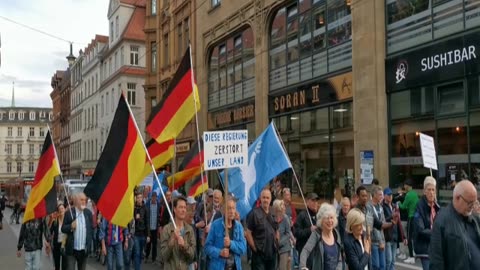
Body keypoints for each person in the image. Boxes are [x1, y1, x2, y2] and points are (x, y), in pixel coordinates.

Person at [429, 180, 480, 269]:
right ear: (457, 198)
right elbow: (436, 260)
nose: (472, 206)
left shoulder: (475, 219)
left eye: (474, 202)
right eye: (469, 203)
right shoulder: (442, 221)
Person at [204, 196, 247, 270]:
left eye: (233, 208)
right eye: (229, 208)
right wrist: (219, 252)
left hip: (235, 267)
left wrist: (231, 244)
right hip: (218, 267)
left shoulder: (239, 226)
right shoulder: (215, 225)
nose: (231, 211)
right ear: (224, 210)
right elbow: (207, 247)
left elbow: (243, 248)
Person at [299, 203, 342, 270]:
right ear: (321, 220)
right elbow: (305, 250)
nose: (330, 221)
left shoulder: (336, 234)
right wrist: (303, 266)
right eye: (327, 218)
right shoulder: (317, 234)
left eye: (331, 218)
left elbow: (339, 260)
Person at [160, 196, 196, 270]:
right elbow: (164, 256)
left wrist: (184, 245)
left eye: (184, 207)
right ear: (175, 209)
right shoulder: (167, 229)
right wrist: (172, 240)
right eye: (180, 207)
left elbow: (192, 256)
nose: (183, 210)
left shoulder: (189, 230)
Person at [245, 188, 278, 270]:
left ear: (270, 199)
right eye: (264, 197)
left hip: (272, 254)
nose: (265, 200)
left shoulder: (273, 212)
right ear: (260, 199)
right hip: (259, 255)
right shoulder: (254, 213)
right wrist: (254, 248)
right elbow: (248, 233)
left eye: (267, 198)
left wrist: (277, 243)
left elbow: (276, 230)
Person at [412, 177, 439, 270]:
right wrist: (436, 233)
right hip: (425, 248)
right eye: (429, 190)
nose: (431, 192)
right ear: (424, 191)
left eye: (433, 190)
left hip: (436, 248)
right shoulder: (419, 207)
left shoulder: (437, 207)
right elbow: (420, 230)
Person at [62, 192, 94, 270]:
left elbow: (90, 230)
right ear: (76, 201)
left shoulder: (88, 213)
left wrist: (89, 245)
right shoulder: (69, 213)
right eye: (81, 200)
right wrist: (70, 226)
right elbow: (63, 228)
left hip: (83, 250)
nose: (84, 202)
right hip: (72, 250)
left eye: (85, 200)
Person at [294, 192, 320, 269]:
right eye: (313, 200)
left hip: (316, 251)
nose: (315, 203)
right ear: (307, 202)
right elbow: (296, 232)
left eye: (316, 201)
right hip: (304, 250)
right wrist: (309, 230)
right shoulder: (302, 215)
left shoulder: (319, 215)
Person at [398, 179, 418, 264]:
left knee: (409, 238)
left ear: (408, 185)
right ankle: (413, 253)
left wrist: (398, 202)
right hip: (416, 218)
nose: (404, 187)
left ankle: (411, 257)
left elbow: (403, 206)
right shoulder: (415, 194)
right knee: (413, 237)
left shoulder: (408, 195)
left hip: (410, 217)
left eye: (405, 185)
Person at [382, 187, 403, 270]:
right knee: (389, 260)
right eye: (388, 195)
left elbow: (399, 223)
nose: (390, 196)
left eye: (391, 195)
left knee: (393, 260)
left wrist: (403, 236)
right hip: (387, 236)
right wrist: (392, 216)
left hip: (394, 235)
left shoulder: (394, 206)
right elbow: (383, 220)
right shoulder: (382, 206)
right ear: (384, 196)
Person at [272, 199, 293, 270]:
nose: (284, 209)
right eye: (282, 208)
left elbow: (288, 233)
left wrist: (279, 242)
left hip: (284, 247)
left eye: (284, 208)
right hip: (274, 248)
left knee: (282, 268)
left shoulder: (285, 218)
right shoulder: (272, 218)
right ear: (277, 210)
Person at [133, 192, 150, 270]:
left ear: (142, 198)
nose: (139, 199)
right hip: (136, 234)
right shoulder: (134, 208)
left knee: (140, 254)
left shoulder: (145, 208)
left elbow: (147, 222)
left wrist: (148, 235)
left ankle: (137, 266)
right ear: (136, 199)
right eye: (138, 198)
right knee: (137, 253)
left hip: (143, 234)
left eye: (140, 197)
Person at [50, 203, 68, 270]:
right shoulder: (55, 221)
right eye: (59, 209)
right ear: (58, 211)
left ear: (65, 209)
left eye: (62, 208)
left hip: (64, 245)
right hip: (56, 244)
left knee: (64, 266)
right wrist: (48, 243)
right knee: (57, 265)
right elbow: (50, 232)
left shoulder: (68, 220)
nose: (61, 210)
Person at [145, 192, 160, 264]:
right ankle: (147, 256)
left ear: (156, 197)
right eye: (153, 197)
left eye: (155, 197)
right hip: (149, 227)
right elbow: (146, 216)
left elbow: (159, 216)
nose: (154, 198)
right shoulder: (148, 204)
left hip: (155, 228)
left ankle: (154, 258)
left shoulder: (158, 205)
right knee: (148, 244)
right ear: (151, 197)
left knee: (155, 244)